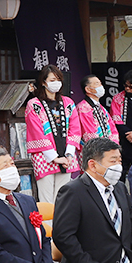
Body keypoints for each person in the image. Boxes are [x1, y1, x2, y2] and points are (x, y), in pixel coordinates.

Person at [25, 65, 80, 203]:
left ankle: (61, 225)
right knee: (46, 200)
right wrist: (55, 158)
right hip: (44, 156)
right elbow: (36, 132)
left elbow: (75, 128)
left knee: (63, 199)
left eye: (58, 79)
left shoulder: (68, 103)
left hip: (67, 157)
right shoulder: (34, 104)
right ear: (43, 82)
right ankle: (48, 225)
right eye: (52, 79)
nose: (56, 82)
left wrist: (68, 154)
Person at [73, 74, 114, 155]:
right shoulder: (82, 108)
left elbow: (112, 129)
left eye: (100, 83)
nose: (100, 86)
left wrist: (113, 146)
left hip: (107, 150)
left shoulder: (101, 107)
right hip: (93, 152)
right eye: (96, 84)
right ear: (88, 89)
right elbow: (89, 135)